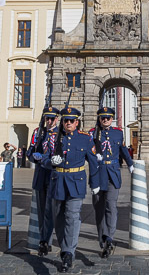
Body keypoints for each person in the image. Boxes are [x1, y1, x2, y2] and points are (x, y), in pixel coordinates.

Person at [49, 107, 100, 273]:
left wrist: (95, 182)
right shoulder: (56, 137)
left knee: (72, 216)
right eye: (65, 120)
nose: (68, 123)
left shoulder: (85, 139)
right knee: (58, 218)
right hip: (58, 182)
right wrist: (50, 161)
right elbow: (43, 156)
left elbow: (93, 161)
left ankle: (68, 253)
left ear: (77, 122)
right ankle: (66, 247)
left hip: (76, 183)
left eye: (71, 121)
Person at [88, 106, 134, 257]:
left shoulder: (118, 133)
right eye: (103, 117)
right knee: (99, 208)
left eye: (108, 117)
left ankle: (109, 237)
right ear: (99, 119)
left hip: (113, 173)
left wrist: (130, 163)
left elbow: (122, 149)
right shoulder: (92, 133)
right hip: (97, 174)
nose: (105, 120)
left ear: (112, 118)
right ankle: (102, 236)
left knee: (111, 206)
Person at [28, 107, 60, 256]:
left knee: (54, 211)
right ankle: (44, 240)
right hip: (41, 175)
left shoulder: (61, 133)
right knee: (42, 211)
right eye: (47, 118)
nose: (49, 121)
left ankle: (53, 238)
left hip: (56, 175)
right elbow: (29, 153)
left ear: (57, 119)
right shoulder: (38, 132)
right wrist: (36, 156)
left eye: (52, 118)